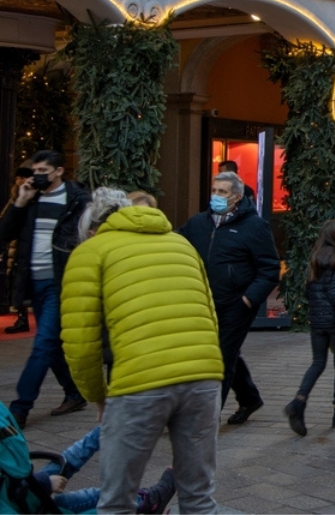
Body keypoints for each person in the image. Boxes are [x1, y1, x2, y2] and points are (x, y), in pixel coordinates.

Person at [61, 188, 224, 512]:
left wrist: (98, 397)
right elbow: (210, 314)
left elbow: (81, 343)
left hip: (139, 382)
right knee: (198, 495)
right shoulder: (182, 244)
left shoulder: (92, 252)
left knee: (117, 500)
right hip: (203, 377)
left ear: (92, 229)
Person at [178, 170, 280, 425]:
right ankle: (249, 398)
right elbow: (174, 245)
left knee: (221, 358)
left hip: (236, 305)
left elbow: (269, 268)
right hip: (203, 303)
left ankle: (206, 419)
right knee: (224, 353)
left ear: (236, 197)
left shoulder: (254, 226)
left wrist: (248, 299)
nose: (215, 196)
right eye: (214, 191)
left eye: (222, 192)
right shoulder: (198, 223)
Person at [0, 149, 90, 427]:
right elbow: (5, 234)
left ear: (59, 171)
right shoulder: (31, 198)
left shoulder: (77, 200)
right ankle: (74, 393)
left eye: (43, 172)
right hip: (33, 281)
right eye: (34, 172)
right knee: (51, 343)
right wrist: (20, 202)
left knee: (42, 344)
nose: (37, 177)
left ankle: (20, 408)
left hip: (60, 282)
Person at [284, 220, 335, 437]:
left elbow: (311, 291)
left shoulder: (315, 258)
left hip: (318, 320)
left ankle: (299, 401)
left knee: (318, 362)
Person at [24, 421, 176, 514]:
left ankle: (113, 421)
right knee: (104, 503)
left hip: (22, 485)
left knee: (77, 452)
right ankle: (148, 501)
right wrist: (45, 482)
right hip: (23, 502)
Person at [3, 166, 33, 335]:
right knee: (14, 282)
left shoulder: (28, 197)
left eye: (24, 177)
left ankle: (22, 318)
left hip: (21, 246)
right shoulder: (16, 196)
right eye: (18, 177)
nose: (20, 181)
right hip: (15, 246)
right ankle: (21, 317)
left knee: (19, 282)